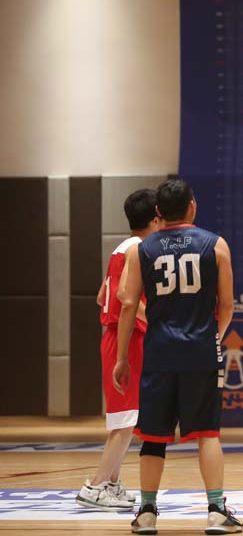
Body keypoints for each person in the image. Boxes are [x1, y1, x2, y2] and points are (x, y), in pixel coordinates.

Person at [113, 178, 242, 534]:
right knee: (207, 433)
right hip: (201, 351)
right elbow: (227, 305)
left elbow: (128, 304)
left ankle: (147, 513)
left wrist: (122, 357)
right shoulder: (216, 245)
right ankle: (216, 511)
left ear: (158, 211)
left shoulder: (141, 249)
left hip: (159, 352)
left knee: (153, 436)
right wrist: (214, 337)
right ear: (192, 206)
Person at [76, 189, 161, 511]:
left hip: (115, 337)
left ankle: (111, 482)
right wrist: (158, 323)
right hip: (126, 339)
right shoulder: (139, 249)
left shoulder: (121, 247)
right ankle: (95, 486)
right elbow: (127, 299)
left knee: (126, 418)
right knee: (125, 422)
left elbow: (102, 296)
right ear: (156, 218)